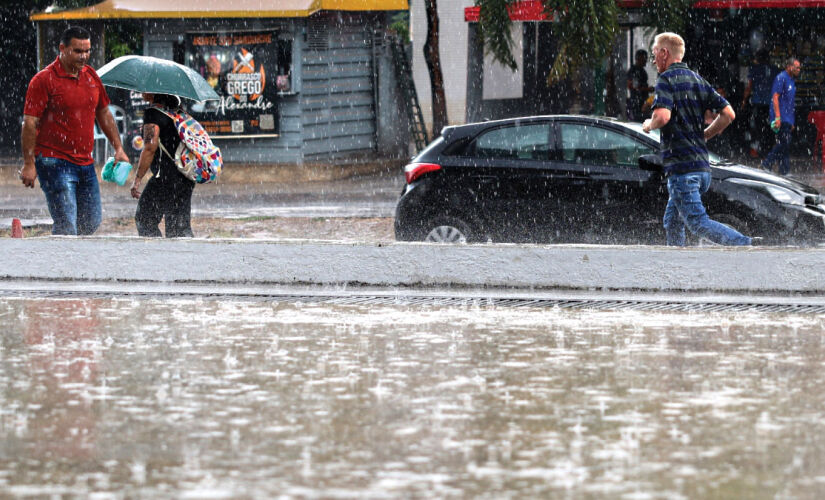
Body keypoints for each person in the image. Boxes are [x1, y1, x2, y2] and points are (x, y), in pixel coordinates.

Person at [642, 32, 754, 247]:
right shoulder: (697, 79)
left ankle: (745, 245)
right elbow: (729, 114)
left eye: (654, 53)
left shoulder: (666, 80)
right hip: (702, 168)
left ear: (665, 53)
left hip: (682, 168)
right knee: (672, 220)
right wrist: (705, 135)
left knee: (697, 223)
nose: (653, 59)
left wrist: (649, 124)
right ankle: (677, 262)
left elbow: (662, 116)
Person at [20, 26, 129, 235]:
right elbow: (29, 124)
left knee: (91, 221)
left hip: (85, 162)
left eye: (87, 51)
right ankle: (62, 264)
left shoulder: (91, 76)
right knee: (66, 224)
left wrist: (118, 148)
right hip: (53, 161)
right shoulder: (44, 80)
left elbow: (104, 114)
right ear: (62, 48)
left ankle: (72, 260)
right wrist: (29, 164)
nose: (84, 56)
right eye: (78, 51)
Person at [130, 93, 195, 237]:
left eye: (144, 89)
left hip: (165, 177)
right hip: (185, 174)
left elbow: (149, 148)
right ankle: (186, 256)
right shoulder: (178, 109)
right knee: (179, 226)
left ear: (153, 92)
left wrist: (137, 179)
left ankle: (158, 256)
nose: (141, 92)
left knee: (145, 219)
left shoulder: (152, 114)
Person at [762, 57, 802, 176]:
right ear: (789, 66)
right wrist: (778, 117)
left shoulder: (791, 80)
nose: (799, 70)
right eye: (797, 67)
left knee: (785, 143)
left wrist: (792, 121)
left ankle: (784, 170)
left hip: (788, 118)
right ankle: (767, 163)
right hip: (781, 117)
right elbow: (775, 98)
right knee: (784, 143)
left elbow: (790, 102)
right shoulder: (781, 78)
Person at [741, 48, 778, 158]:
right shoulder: (775, 70)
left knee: (758, 128)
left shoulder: (754, 69)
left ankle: (757, 151)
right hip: (771, 104)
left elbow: (749, 87)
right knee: (770, 129)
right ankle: (769, 151)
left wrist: (744, 100)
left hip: (758, 103)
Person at [626, 50, 653, 122]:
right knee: (638, 121)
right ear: (639, 58)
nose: (645, 60)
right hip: (636, 103)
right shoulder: (634, 70)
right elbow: (632, 86)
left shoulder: (642, 71)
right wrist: (647, 89)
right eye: (644, 58)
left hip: (643, 101)